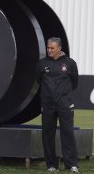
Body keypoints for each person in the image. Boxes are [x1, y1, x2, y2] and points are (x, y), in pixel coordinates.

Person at [36, 37, 79, 173]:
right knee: (48, 134)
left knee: (67, 133)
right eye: (48, 48)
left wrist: (63, 96)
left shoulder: (70, 63)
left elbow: (75, 82)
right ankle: (51, 165)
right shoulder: (42, 64)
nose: (49, 50)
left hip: (65, 105)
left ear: (59, 48)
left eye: (52, 48)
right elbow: (38, 80)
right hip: (48, 105)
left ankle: (71, 164)